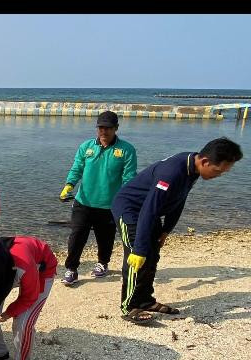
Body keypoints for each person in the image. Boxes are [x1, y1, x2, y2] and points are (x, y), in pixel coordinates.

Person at [111, 137, 243, 324]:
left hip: (149, 211)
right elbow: (150, 208)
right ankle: (130, 306)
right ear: (205, 161)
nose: (218, 175)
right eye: (218, 171)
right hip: (130, 210)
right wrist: (139, 249)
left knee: (152, 255)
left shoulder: (192, 168)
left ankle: (145, 300)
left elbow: (179, 200)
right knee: (136, 258)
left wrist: (166, 230)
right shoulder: (172, 173)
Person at [59, 111, 137, 285]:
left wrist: (127, 200)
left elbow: (129, 177)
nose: (104, 131)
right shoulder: (86, 146)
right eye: (101, 127)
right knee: (77, 236)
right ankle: (71, 269)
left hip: (110, 205)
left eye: (108, 128)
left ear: (116, 128)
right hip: (83, 202)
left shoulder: (126, 150)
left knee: (106, 238)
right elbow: (77, 168)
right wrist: (68, 185)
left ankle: (103, 262)